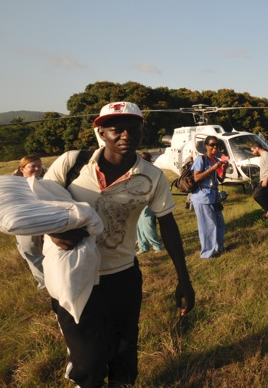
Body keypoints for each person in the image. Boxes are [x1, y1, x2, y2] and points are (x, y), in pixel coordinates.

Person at [43, 101, 195, 387]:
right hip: (72, 276)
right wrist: (53, 231)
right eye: (117, 129)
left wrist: (183, 279)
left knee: (124, 350)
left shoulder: (152, 177)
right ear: (101, 131)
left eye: (134, 129)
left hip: (122, 275)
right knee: (88, 358)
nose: (126, 135)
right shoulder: (72, 162)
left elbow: (169, 225)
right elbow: (41, 202)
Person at [190, 135, 228, 259]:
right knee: (208, 226)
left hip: (214, 196)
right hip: (202, 197)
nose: (215, 147)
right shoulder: (201, 159)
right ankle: (207, 254)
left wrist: (224, 168)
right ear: (206, 146)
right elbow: (196, 178)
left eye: (217, 145)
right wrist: (212, 168)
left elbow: (220, 179)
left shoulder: (216, 160)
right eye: (212, 144)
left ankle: (218, 248)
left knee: (220, 224)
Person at [13, 155, 46, 290]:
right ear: (23, 168)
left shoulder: (45, 182)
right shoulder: (14, 184)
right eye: (32, 166)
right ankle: (44, 282)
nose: (37, 169)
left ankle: (52, 282)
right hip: (24, 224)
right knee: (29, 251)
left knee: (44, 252)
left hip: (44, 222)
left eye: (39, 166)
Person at [136, 151, 164, 254]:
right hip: (138, 201)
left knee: (147, 223)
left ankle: (157, 246)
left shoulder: (153, 171)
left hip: (149, 200)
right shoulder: (138, 170)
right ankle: (143, 246)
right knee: (139, 224)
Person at [250, 142, 268, 218]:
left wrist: (265, 180)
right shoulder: (263, 156)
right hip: (266, 180)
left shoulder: (266, 155)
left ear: (257, 148)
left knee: (257, 195)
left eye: (253, 150)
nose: (253, 152)